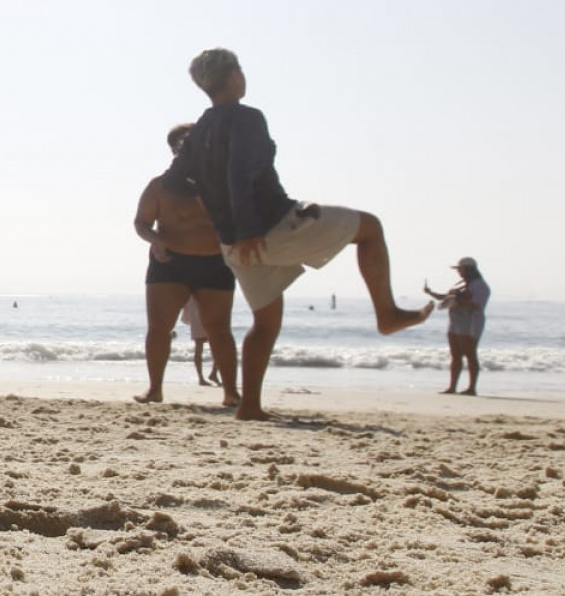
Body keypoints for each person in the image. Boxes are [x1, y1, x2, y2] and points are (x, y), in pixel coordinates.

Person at [164, 48, 432, 420]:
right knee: (370, 228)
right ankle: (387, 313)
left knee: (265, 322)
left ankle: (250, 407)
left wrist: (221, 214)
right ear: (235, 76)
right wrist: (247, 227)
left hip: (235, 244)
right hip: (268, 229)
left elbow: (175, 181)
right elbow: (238, 172)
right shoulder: (246, 117)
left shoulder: (199, 131)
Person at [133, 122, 237, 404]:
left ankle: (231, 392)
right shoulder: (159, 185)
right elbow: (141, 223)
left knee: (219, 329)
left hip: (215, 263)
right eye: (185, 143)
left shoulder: (224, 183)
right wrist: (156, 240)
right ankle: (155, 388)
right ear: (174, 149)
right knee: (159, 328)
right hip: (170, 263)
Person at [424, 258, 490, 395]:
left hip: (470, 321)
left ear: (468, 269)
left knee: (470, 354)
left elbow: (477, 304)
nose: (459, 272)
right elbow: (445, 297)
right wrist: (430, 293)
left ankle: (472, 388)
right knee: (455, 355)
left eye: (460, 269)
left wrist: (457, 300)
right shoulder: (460, 284)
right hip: (455, 321)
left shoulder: (480, 285)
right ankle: (452, 387)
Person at [183, 296, 219, 387]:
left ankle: (208, 375)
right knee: (217, 346)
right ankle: (208, 375)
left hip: (199, 313)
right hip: (202, 312)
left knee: (214, 347)